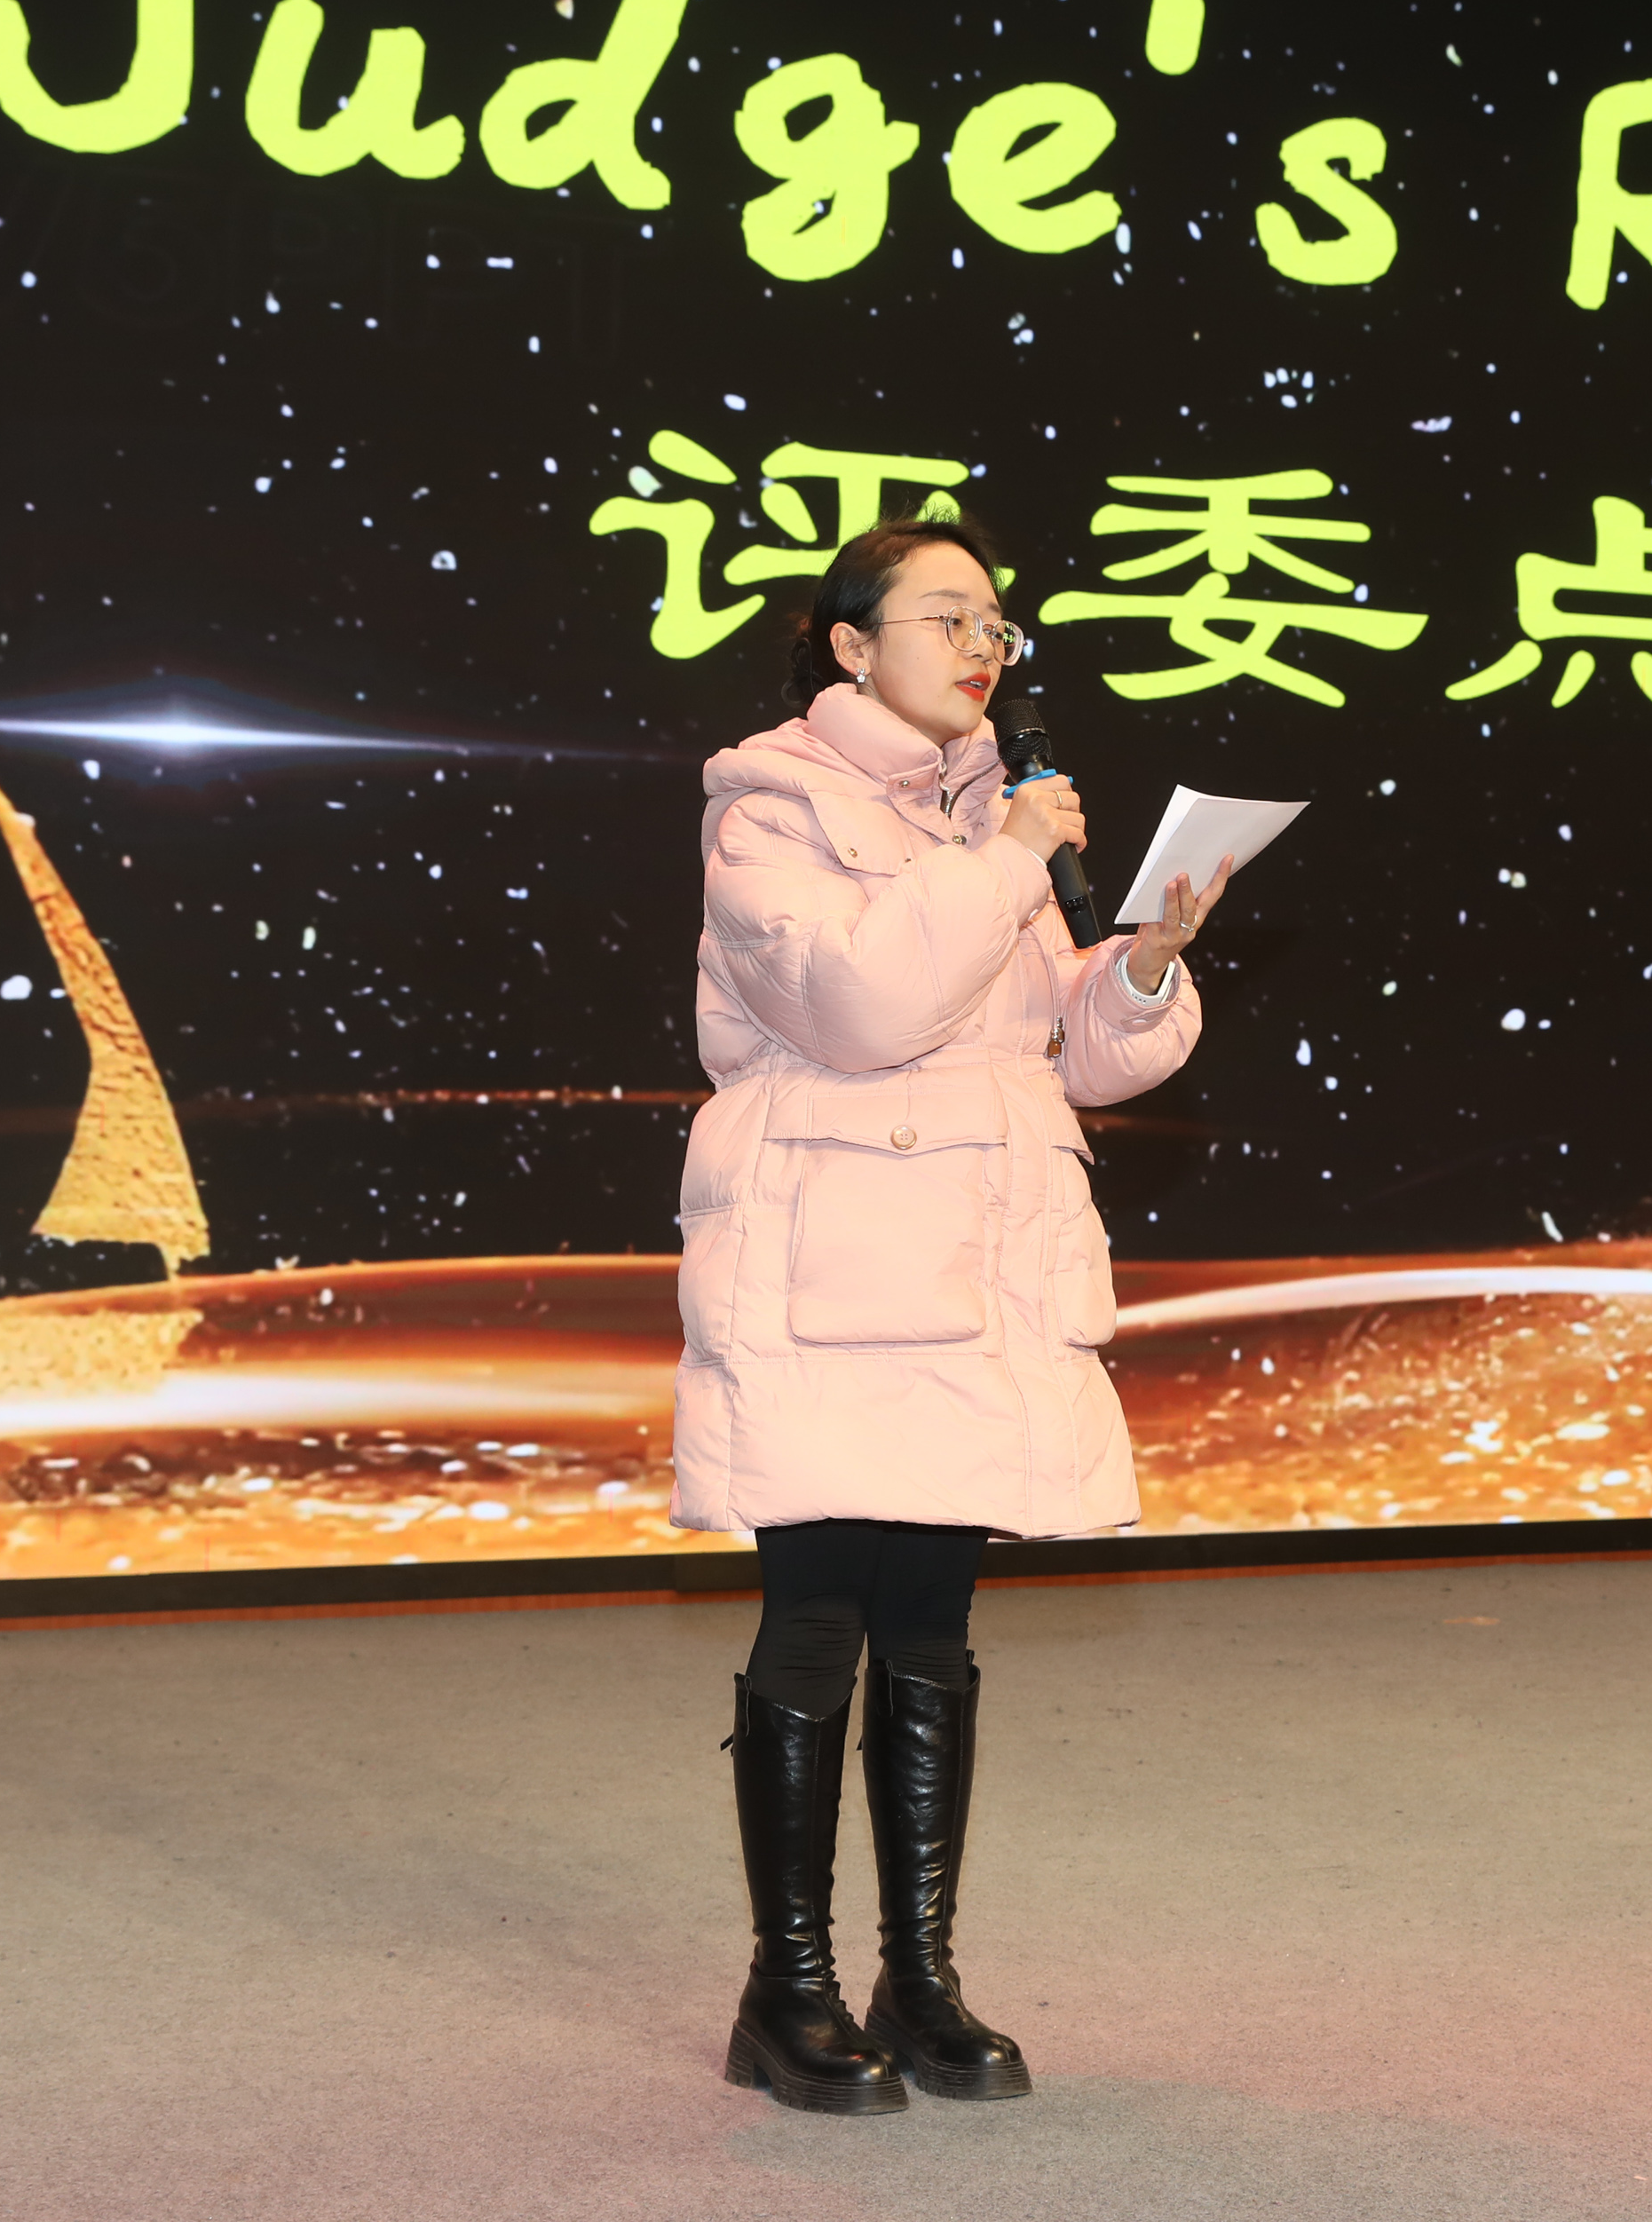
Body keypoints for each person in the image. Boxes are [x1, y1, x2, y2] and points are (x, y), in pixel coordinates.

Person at [674, 512, 1229, 2116]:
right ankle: (787, 1993)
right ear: (852, 647)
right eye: (947, 617)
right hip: (831, 1262)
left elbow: (1077, 1053)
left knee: (932, 1628)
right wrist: (1005, 860)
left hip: (978, 1261)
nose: (984, 645)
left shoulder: (993, 816)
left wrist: (1141, 966)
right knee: (817, 1618)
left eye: (996, 623)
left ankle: (917, 1981)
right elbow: (861, 1008)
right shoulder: (768, 804)